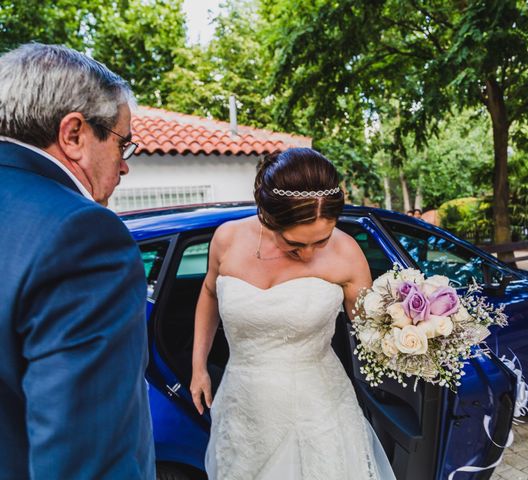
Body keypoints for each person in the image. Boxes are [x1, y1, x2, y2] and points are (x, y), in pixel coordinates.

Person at [190, 148, 396, 479]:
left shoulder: (346, 253)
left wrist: (416, 329)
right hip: (243, 407)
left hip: (318, 413)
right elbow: (209, 293)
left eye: (321, 241)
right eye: (295, 244)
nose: (309, 254)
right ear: (268, 217)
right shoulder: (227, 239)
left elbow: (371, 329)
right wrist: (198, 366)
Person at [0, 44, 154, 478]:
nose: (124, 167)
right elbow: (86, 460)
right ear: (74, 134)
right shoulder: (84, 236)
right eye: (124, 144)